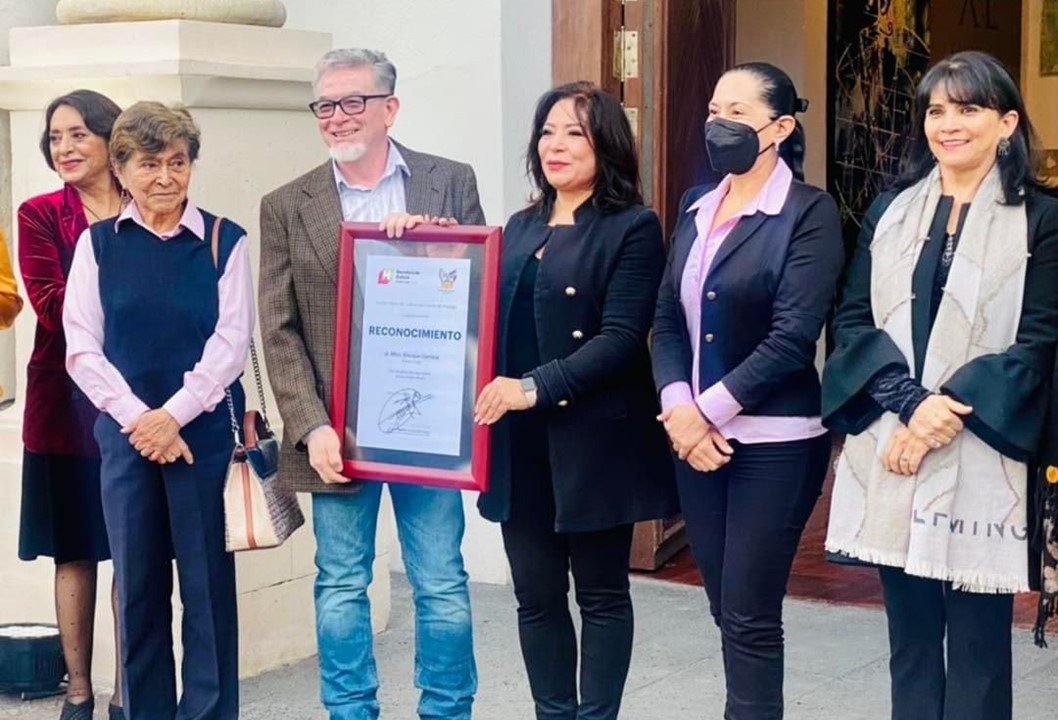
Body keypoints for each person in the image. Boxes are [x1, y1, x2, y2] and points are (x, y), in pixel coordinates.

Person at [823, 51, 1058, 720]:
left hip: (984, 450)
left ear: (1006, 122)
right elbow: (853, 321)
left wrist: (938, 417)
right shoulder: (890, 211)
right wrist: (909, 406)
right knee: (911, 642)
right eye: (936, 110)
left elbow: (1038, 339)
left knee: (980, 649)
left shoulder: (1042, 218)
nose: (948, 123)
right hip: (893, 440)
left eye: (968, 108)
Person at [258, 48, 483, 720]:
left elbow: (480, 294)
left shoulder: (449, 183)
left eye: (353, 101)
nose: (337, 116)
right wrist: (310, 426)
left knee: (441, 583)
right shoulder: (285, 204)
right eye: (325, 104)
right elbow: (278, 329)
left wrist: (444, 245)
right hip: (335, 434)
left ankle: (448, 712)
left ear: (390, 108)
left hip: (431, 429)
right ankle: (350, 712)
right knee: (340, 584)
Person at [473, 81, 678, 720]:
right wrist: (426, 244)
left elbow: (621, 339)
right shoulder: (518, 226)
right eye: (547, 132)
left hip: (595, 443)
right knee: (535, 597)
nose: (555, 145)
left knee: (601, 594)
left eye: (574, 133)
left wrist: (533, 387)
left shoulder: (632, 227)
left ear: (605, 144)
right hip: (519, 446)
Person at [651, 63, 843, 719]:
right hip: (694, 441)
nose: (718, 124)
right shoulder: (696, 205)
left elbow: (793, 338)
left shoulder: (808, 213)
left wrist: (702, 413)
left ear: (780, 127)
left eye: (737, 112)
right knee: (724, 607)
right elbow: (666, 318)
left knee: (749, 613)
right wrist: (679, 406)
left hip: (775, 443)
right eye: (714, 110)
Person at [63, 101, 254, 720]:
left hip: (204, 440)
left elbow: (231, 344)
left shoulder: (224, 241)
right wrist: (142, 421)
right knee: (138, 591)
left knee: (208, 591)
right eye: (149, 165)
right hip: (128, 442)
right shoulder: (97, 246)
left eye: (177, 162)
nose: (165, 177)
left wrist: (173, 415)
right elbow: (82, 348)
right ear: (121, 170)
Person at [15, 89, 125, 720]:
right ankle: (78, 694)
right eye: (55, 137)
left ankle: (129, 693)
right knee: (75, 551)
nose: (65, 147)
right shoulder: (38, 214)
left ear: (112, 138)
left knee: (135, 552)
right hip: (63, 410)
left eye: (79, 133)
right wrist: (138, 304)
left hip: (142, 407)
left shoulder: (149, 202)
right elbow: (52, 305)